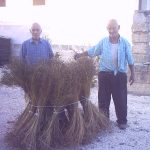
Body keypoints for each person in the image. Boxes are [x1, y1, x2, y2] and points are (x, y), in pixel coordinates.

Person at [74, 19, 135, 130]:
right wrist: (80, 55)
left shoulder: (125, 43)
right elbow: (93, 51)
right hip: (104, 74)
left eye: (113, 28)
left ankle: (122, 121)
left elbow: (130, 59)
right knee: (103, 99)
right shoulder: (103, 42)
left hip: (119, 75)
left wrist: (133, 74)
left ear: (118, 27)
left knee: (120, 99)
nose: (111, 30)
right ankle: (104, 120)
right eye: (109, 28)